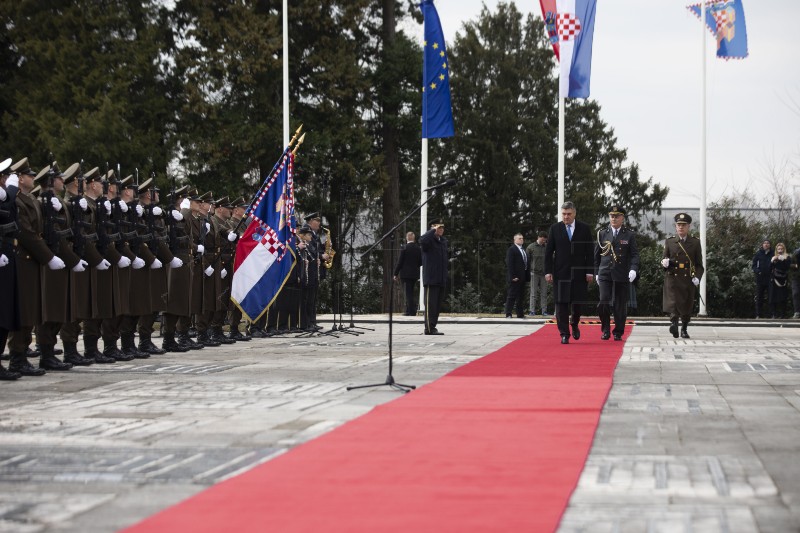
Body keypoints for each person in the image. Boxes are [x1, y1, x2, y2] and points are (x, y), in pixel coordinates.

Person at [545, 201, 594, 344]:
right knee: (561, 304)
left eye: (568, 214)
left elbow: (589, 252)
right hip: (560, 273)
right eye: (563, 214)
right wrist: (548, 271)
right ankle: (564, 333)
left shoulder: (584, 229)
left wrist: (590, 271)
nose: (566, 217)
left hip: (579, 273)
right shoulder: (555, 229)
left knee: (577, 304)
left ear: (574, 213)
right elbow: (548, 252)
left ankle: (574, 324)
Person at [594, 205, 639, 341]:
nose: (613, 218)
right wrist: (596, 272)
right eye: (611, 216)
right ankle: (606, 329)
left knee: (620, 304)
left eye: (617, 216)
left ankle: (618, 331)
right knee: (603, 301)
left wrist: (633, 269)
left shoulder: (629, 234)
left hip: (621, 273)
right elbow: (596, 256)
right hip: (605, 273)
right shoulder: (602, 233)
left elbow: (634, 255)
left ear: (622, 218)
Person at [662, 212, 704, 338]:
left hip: (687, 278)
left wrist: (697, 277)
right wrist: (664, 262)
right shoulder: (670, 242)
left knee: (686, 304)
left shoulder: (695, 243)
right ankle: (674, 324)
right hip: (673, 276)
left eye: (683, 225)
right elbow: (664, 258)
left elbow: (699, 264)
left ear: (688, 226)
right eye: (678, 225)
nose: (681, 227)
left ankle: (684, 328)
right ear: (675, 226)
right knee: (673, 302)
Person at [0, 158, 22, 380]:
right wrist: (13, 190)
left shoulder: (5, 196)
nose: (7, 181)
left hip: (7, 257)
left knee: (5, 313)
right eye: (4, 177)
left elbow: (8, 213)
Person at [419, 219, 448, 335]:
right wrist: (432, 231)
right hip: (431, 279)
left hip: (440, 278)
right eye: (438, 227)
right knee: (430, 305)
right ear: (432, 228)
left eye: (442, 228)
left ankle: (433, 326)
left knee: (436, 306)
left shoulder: (443, 241)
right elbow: (422, 240)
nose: (441, 229)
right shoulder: (428, 240)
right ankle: (428, 328)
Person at [393, 231, 422, 316]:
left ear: (406, 238)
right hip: (415, 274)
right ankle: (409, 310)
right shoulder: (418, 248)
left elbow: (400, 262)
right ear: (414, 238)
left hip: (405, 274)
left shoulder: (404, 248)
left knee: (408, 293)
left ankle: (411, 312)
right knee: (411, 292)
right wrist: (415, 266)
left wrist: (395, 273)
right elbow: (421, 262)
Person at [504, 233, 530, 318]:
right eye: (519, 238)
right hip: (515, 277)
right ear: (514, 240)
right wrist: (512, 276)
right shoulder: (512, 249)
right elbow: (510, 264)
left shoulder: (523, 250)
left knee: (521, 297)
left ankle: (520, 314)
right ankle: (508, 313)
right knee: (512, 295)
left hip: (522, 277)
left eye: (522, 238)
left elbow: (525, 264)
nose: (521, 240)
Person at [526, 231, 548, 316]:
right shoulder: (531, 247)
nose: (544, 242)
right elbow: (527, 261)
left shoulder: (546, 247)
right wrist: (528, 272)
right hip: (534, 273)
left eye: (545, 240)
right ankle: (532, 310)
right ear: (539, 237)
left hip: (544, 274)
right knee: (533, 293)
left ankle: (544, 311)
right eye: (543, 240)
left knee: (544, 293)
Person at [769, 242, 791, 319]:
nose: (780, 250)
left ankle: (783, 314)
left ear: (784, 249)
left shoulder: (787, 257)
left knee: (783, 298)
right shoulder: (774, 257)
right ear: (776, 249)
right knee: (773, 297)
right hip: (774, 279)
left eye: (781, 249)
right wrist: (772, 261)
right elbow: (770, 268)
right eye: (778, 249)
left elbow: (787, 267)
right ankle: (774, 314)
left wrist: (782, 260)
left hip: (783, 279)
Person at [752, 239, 772, 319]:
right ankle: (758, 314)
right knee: (759, 297)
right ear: (762, 245)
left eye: (768, 243)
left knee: (771, 297)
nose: (766, 244)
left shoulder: (773, 253)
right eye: (765, 243)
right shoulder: (758, 254)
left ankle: (771, 314)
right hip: (760, 279)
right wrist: (758, 271)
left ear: (770, 245)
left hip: (770, 278)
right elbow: (754, 266)